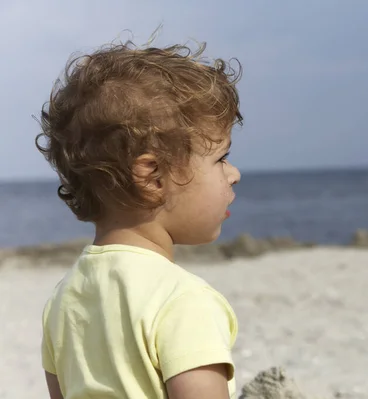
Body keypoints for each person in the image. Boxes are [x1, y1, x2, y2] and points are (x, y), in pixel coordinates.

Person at [36, 36, 243, 399]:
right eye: (220, 159)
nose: (234, 173)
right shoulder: (183, 301)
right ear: (153, 177)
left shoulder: (64, 299)